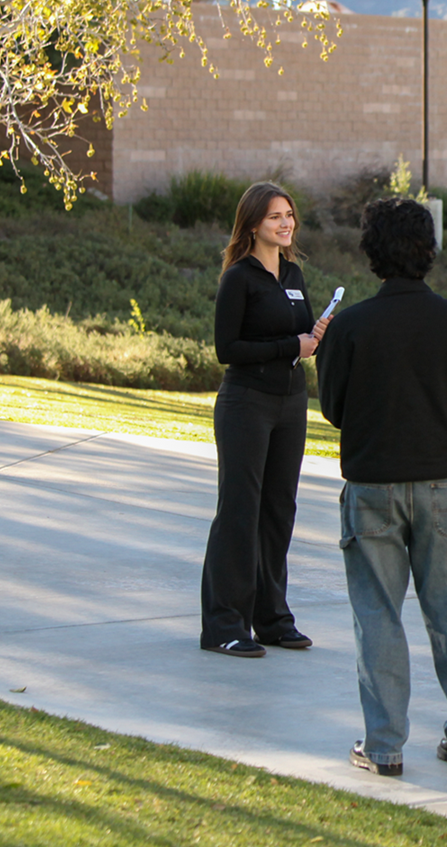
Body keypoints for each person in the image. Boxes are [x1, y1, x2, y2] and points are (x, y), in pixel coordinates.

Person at [317, 197, 447, 778]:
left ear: (371, 252)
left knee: (378, 616)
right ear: (429, 249)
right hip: (444, 485)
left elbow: (336, 410)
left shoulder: (348, 328)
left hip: (371, 486)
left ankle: (385, 745)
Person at [201, 182, 330, 658]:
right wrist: (288, 347)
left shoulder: (293, 274)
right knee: (239, 512)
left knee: (279, 511)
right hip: (246, 403)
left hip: (290, 404)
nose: (285, 223)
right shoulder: (239, 277)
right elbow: (226, 350)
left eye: (289, 215)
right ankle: (223, 626)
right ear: (254, 223)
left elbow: (302, 336)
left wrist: (316, 337)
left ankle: (272, 618)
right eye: (276, 216)